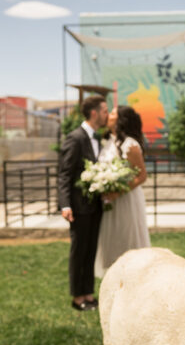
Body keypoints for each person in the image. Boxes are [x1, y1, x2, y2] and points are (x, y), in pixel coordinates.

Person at [58, 95, 109, 311]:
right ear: (95, 113)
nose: (107, 114)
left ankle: (88, 294)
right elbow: (64, 173)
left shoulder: (97, 138)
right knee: (79, 251)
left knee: (90, 251)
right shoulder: (75, 138)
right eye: (105, 111)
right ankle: (77, 297)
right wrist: (65, 204)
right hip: (78, 207)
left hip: (96, 206)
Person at [95, 105, 151, 277]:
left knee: (127, 239)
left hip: (126, 200)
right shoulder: (107, 142)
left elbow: (141, 176)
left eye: (112, 113)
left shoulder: (130, 145)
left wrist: (117, 192)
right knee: (112, 241)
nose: (108, 116)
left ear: (120, 120)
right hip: (110, 203)